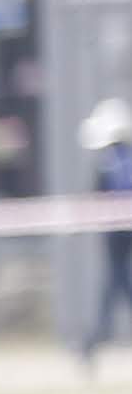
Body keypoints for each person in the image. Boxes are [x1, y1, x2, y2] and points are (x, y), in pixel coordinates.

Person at [87, 103, 132, 372]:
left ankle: (93, 341)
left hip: (116, 233)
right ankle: (93, 341)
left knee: (116, 283)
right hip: (121, 231)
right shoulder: (121, 160)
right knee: (118, 284)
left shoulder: (109, 164)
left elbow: (97, 197)